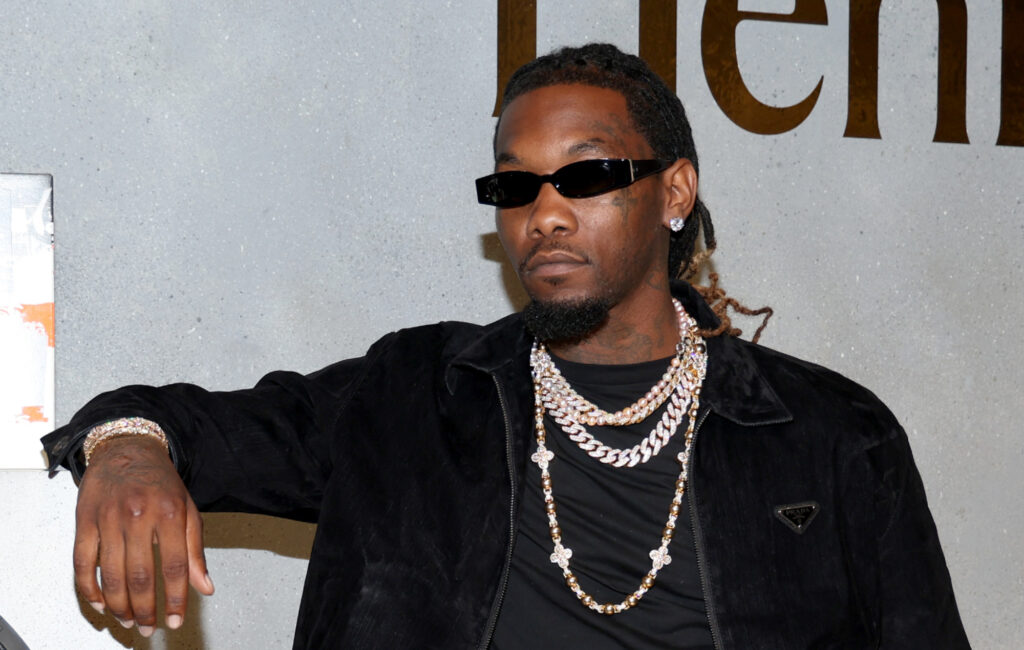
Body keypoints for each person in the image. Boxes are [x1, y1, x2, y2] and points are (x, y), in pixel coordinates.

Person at [42, 43, 970, 649]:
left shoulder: (830, 434)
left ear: (675, 191)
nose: (546, 214)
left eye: (588, 175)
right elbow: (188, 424)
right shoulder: (413, 398)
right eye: (517, 186)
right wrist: (127, 449)